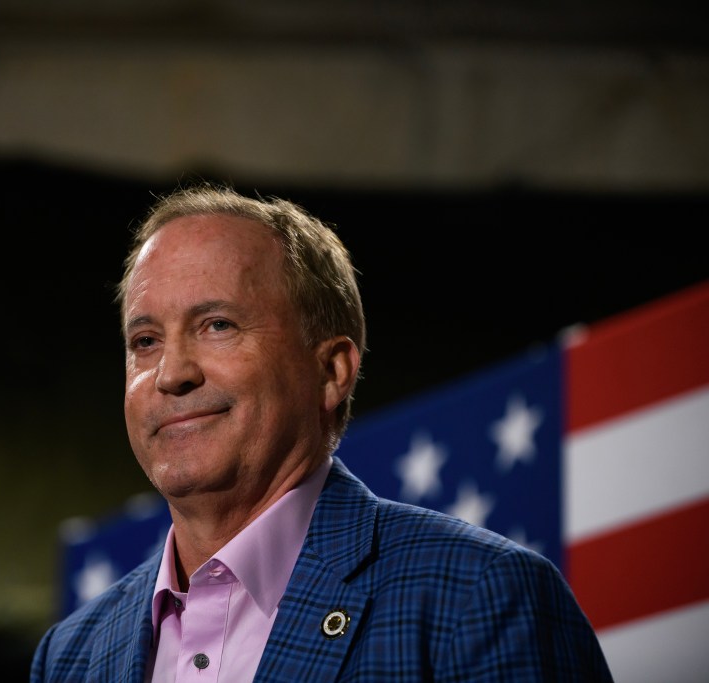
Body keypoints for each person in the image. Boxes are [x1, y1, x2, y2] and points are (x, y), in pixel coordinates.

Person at [30, 184, 613, 682]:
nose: (171, 373)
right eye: (145, 341)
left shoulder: (479, 595)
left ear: (331, 371)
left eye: (217, 325)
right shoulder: (71, 656)